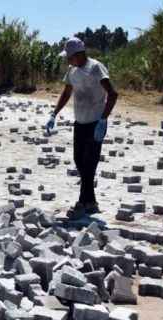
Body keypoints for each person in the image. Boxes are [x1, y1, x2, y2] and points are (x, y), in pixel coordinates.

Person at [46, 37, 118, 220]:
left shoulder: (96, 68)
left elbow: (112, 93)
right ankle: (91, 202)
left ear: (78, 55)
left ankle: (81, 202)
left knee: (90, 163)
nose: (67, 60)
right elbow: (67, 92)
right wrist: (54, 114)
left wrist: (103, 119)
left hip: (95, 123)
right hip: (80, 122)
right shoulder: (72, 71)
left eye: (69, 57)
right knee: (79, 160)